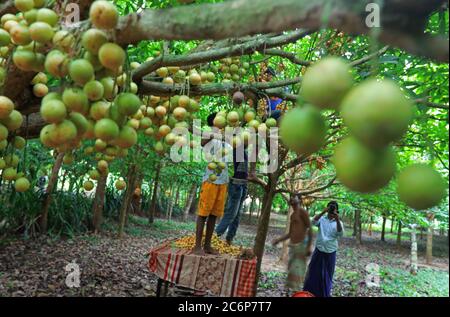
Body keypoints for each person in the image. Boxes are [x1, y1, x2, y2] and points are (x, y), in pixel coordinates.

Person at [192, 113, 231, 255]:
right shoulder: (209, 133)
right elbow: (202, 142)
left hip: (223, 180)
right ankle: (197, 246)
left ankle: (207, 245)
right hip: (210, 180)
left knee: (214, 214)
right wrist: (214, 133)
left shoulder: (226, 136)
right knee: (203, 213)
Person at [272, 194, 313, 295]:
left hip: (301, 247)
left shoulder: (303, 212)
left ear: (299, 200)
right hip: (294, 248)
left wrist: (308, 246)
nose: (292, 198)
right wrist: (279, 239)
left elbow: (310, 228)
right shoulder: (293, 215)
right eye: (291, 196)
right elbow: (290, 233)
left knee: (297, 275)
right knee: (291, 274)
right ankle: (293, 294)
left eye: (294, 196)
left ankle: (298, 294)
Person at [303, 201, 344, 297]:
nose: (331, 212)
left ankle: (324, 294)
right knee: (313, 272)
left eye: (333, 209)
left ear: (336, 211)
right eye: (330, 209)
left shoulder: (339, 222)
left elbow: (340, 234)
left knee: (327, 275)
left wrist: (337, 219)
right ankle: (309, 293)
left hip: (330, 252)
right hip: (319, 250)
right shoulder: (322, 219)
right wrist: (322, 212)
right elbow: (312, 222)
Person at [215, 139, 249, 245]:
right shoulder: (238, 150)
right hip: (237, 186)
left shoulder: (243, 151)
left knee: (237, 215)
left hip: (242, 185)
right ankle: (214, 237)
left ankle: (229, 239)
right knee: (231, 214)